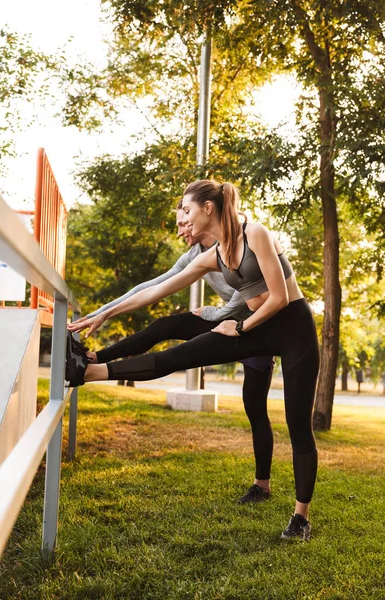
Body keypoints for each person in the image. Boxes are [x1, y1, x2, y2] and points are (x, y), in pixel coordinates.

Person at [68, 179, 320, 541]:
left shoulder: (257, 233)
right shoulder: (209, 256)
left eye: (186, 210)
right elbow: (156, 289)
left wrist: (239, 326)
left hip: (293, 327)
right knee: (178, 356)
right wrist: (104, 313)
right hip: (250, 327)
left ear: (208, 208)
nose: (181, 220)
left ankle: (301, 518)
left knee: (298, 425)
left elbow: (279, 298)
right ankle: (89, 370)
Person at [72, 202, 275, 504]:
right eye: (179, 224)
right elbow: (150, 286)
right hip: (220, 322)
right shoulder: (194, 256)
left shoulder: (241, 239)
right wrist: (98, 314)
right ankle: (94, 358)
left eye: (184, 222)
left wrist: (216, 312)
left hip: (255, 327)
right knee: (165, 325)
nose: (181, 230)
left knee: (254, 407)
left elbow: (247, 291)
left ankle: (262, 485)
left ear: (204, 214)